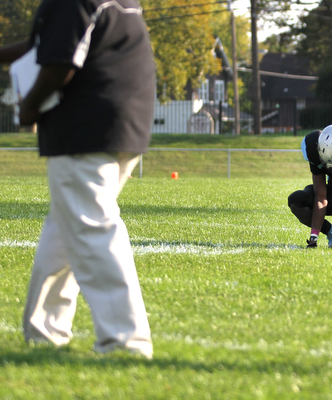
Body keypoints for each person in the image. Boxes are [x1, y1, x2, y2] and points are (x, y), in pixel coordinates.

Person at [0, 0, 156, 358]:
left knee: (90, 227)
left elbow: (59, 62)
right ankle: (44, 329)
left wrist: (30, 106)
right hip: (124, 121)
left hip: (84, 124)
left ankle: (125, 342)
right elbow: (50, 46)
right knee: (65, 226)